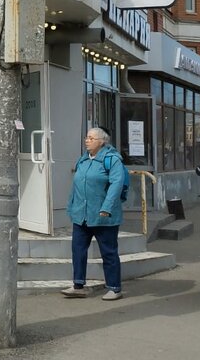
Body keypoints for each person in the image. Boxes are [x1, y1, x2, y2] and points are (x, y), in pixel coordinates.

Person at [61, 127, 128, 301]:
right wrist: (71, 206)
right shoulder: (83, 160)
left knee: (108, 252)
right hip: (81, 215)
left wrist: (106, 207)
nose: (86, 140)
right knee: (78, 250)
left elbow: (116, 184)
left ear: (102, 141)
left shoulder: (112, 160)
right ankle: (78, 285)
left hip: (104, 216)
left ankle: (114, 287)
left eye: (91, 138)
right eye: (86, 137)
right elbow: (76, 186)